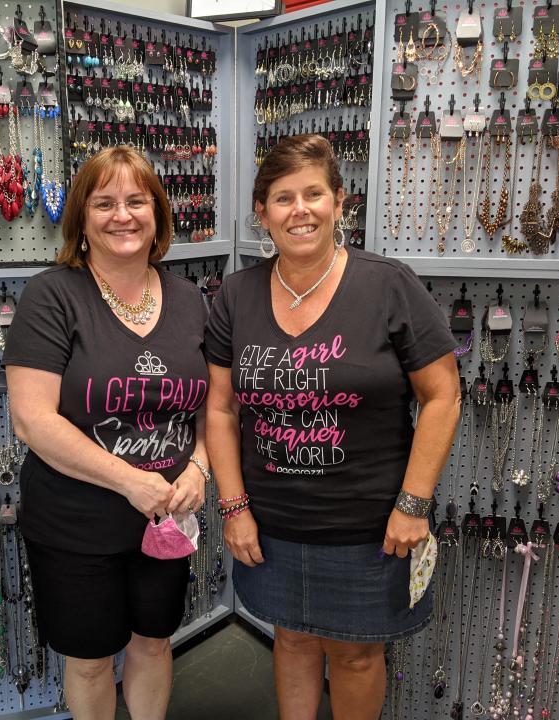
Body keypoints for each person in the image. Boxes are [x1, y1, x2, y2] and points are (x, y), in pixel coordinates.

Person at [205, 134, 460, 719]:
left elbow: (443, 396)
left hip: (368, 525)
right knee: (290, 638)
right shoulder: (237, 295)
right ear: (261, 213)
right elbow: (220, 409)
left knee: (355, 656)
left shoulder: (387, 284)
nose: (300, 210)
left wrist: (414, 504)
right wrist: (233, 507)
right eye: (282, 197)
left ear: (340, 202)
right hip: (271, 524)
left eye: (314, 194)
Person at [4, 146, 211, 720]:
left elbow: (214, 409)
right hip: (76, 521)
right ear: (82, 218)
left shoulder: (192, 301)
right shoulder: (52, 296)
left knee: (154, 640)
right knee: (92, 659)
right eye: (104, 203)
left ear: (157, 214)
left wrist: (199, 466)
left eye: (136, 201)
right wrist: (129, 481)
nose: (123, 215)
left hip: (168, 517)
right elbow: (32, 419)